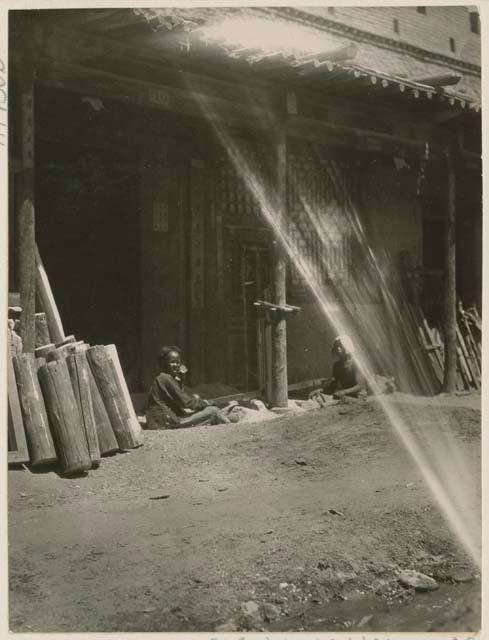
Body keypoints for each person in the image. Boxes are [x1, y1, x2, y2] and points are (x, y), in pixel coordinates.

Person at [145, 346, 230, 429]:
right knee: (213, 411)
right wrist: (206, 403)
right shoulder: (166, 378)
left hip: (159, 421)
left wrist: (181, 378)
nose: (176, 365)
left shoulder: (163, 378)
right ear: (164, 363)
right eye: (172, 362)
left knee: (205, 412)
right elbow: (186, 403)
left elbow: (179, 398)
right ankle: (230, 425)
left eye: (178, 362)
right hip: (165, 422)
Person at [310, 334, 367, 403]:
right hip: (344, 396)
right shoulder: (337, 366)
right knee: (317, 398)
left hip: (359, 397)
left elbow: (360, 386)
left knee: (343, 400)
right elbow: (332, 387)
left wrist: (343, 392)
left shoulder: (356, 363)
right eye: (337, 346)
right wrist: (320, 390)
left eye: (341, 346)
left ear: (347, 346)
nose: (338, 348)